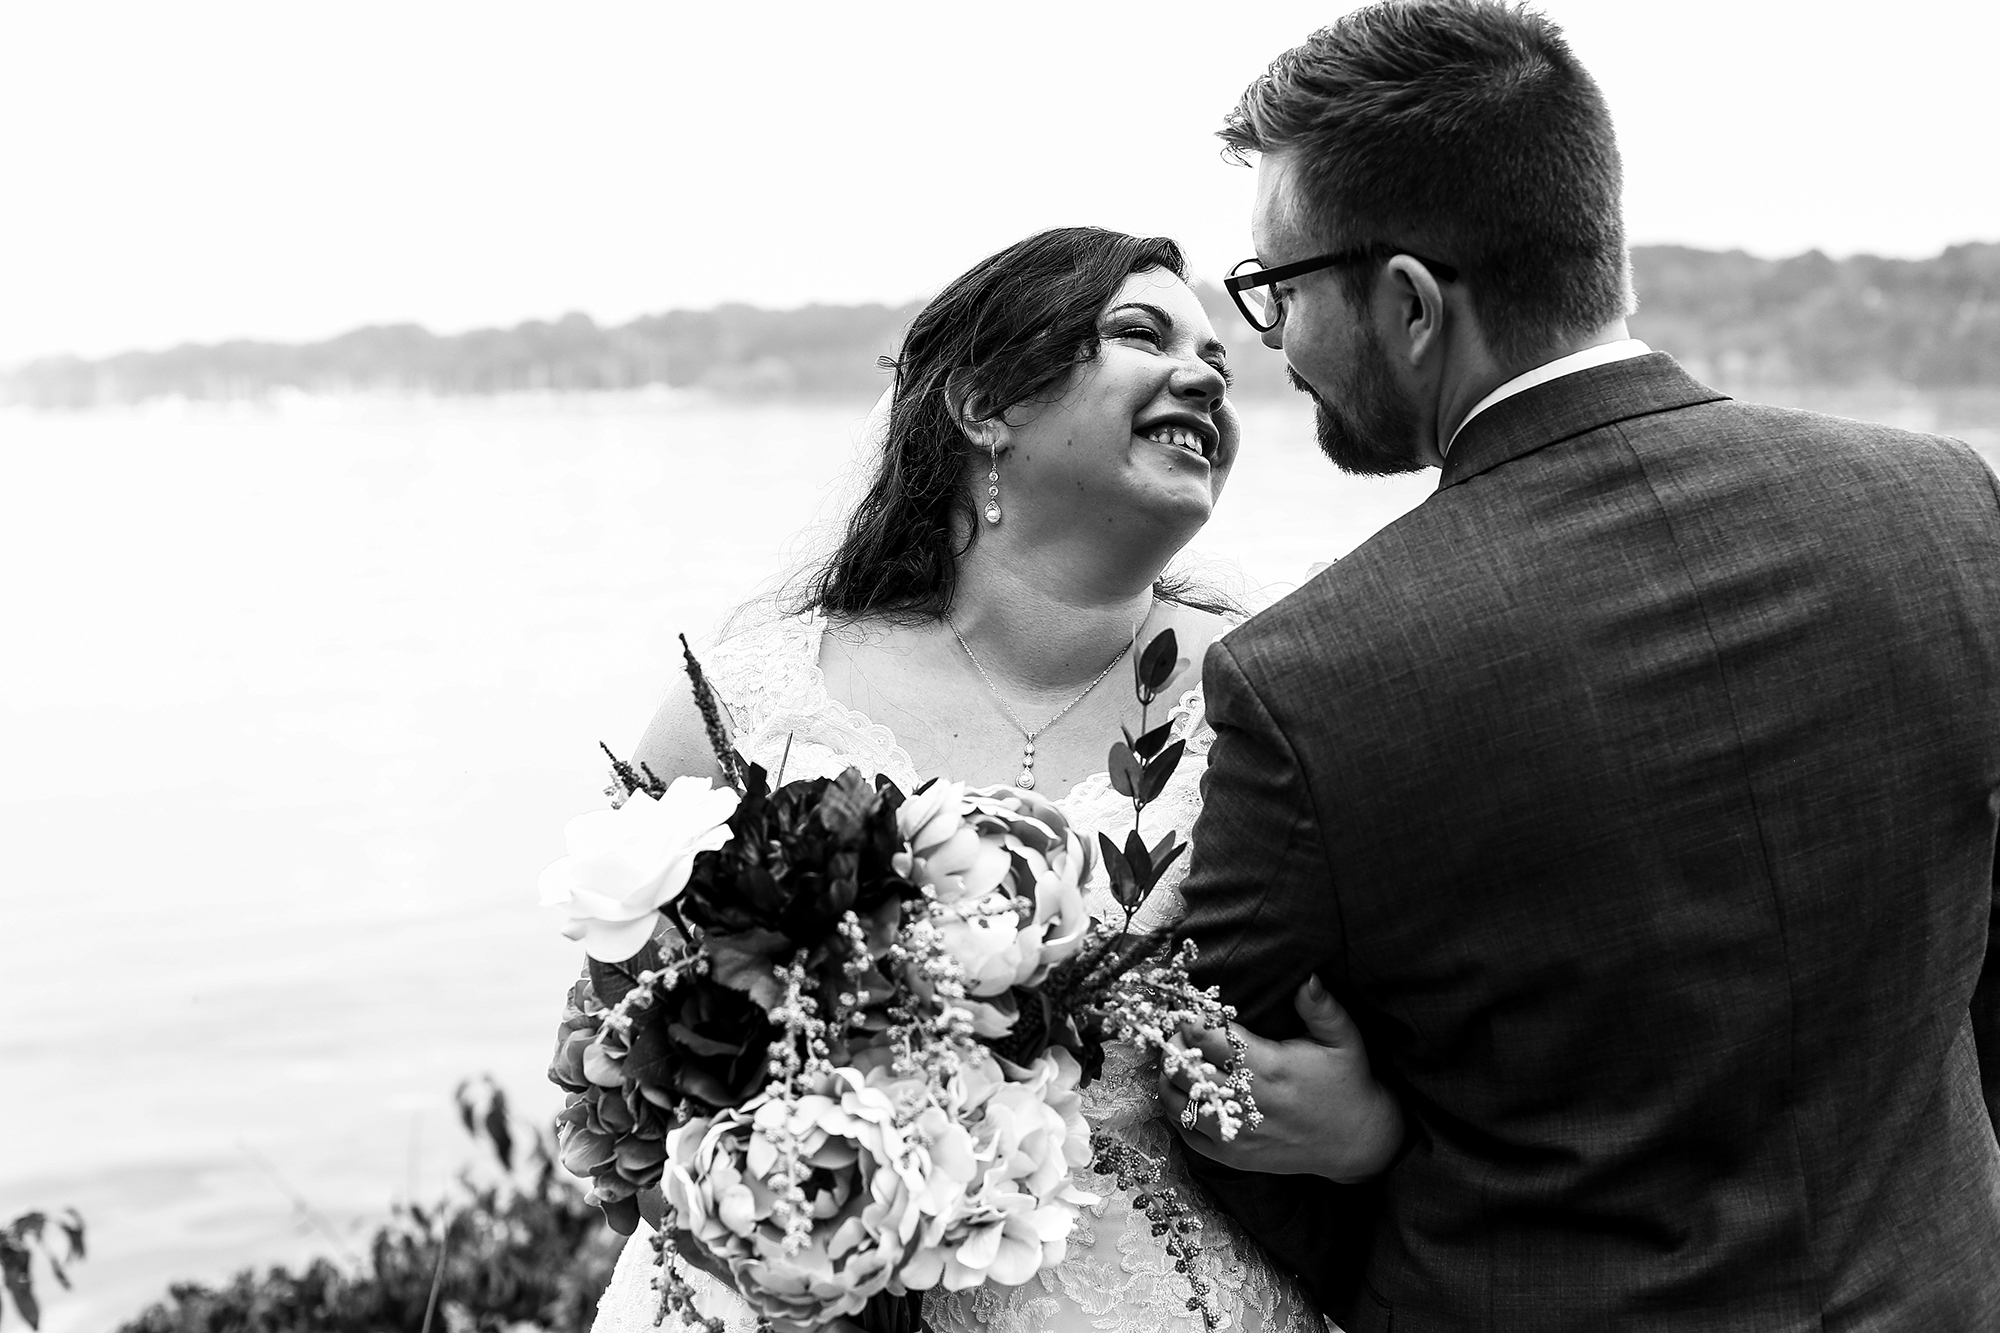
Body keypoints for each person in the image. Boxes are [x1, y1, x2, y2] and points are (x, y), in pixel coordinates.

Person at [1162, 3, 2000, 1330]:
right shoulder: (1948, 507)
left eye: (1275, 291)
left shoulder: (1312, 676)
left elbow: (1227, 1106)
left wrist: (1380, 1145)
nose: (1273, 345)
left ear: (1409, 304)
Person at [578, 226, 1326, 1333]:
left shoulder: (1272, 691)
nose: (1206, 374)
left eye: (1218, 357)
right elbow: (619, 1077)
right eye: (1138, 331)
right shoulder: (752, 703)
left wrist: (1360, 1128)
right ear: (982, 405)